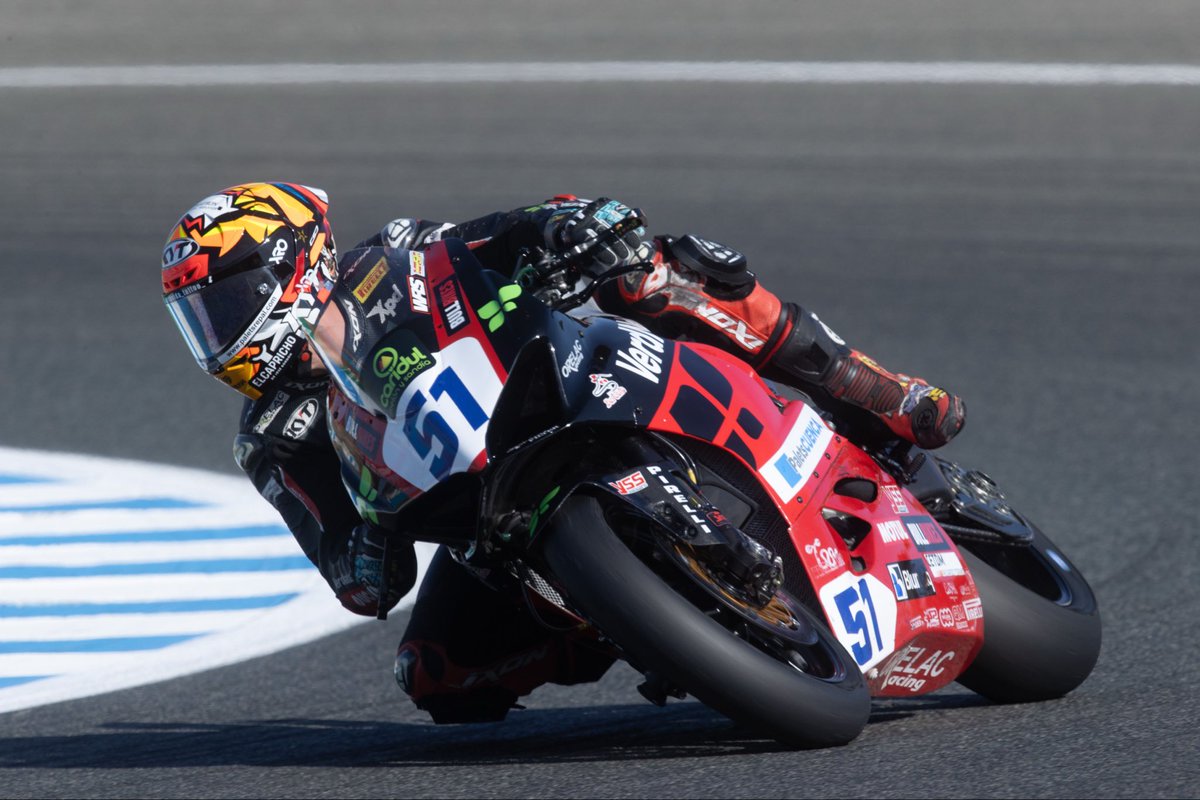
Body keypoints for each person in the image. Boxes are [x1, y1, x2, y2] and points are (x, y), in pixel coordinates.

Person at [161, 182, 965, 722]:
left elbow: (501, 235)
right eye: (200, 318)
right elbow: (340, 558)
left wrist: (569, 226)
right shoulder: (271, 437)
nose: (219, 332)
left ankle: (872, 389)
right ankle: (620, 618)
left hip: (571, 379)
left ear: (291, 265)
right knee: (434, 678)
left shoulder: (394, 258)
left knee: (656, 275)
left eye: (227, 301)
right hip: (485, 514)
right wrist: (363, 557)